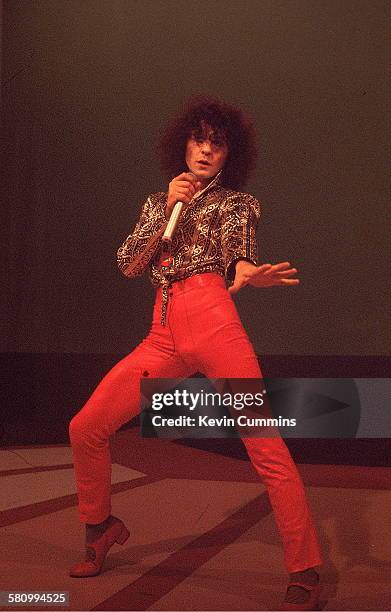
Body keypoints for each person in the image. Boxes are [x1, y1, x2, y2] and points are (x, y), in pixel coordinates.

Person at [68, 96, 322, 610]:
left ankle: (305, 569)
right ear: (182, 143)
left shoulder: (238, 202)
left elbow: (237, 245)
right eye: (199, 139)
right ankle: (100, 527)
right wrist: (165, 206)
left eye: (218, 143)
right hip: (161, 330)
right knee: (85, 426)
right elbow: (128, 264)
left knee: (267, 448)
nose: (206, 151)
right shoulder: (157, 201)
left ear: (231, 154)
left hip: (214, 323)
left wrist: (245, 269)